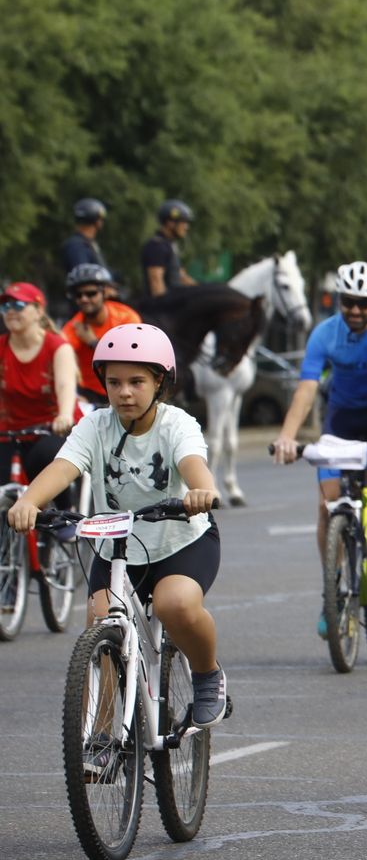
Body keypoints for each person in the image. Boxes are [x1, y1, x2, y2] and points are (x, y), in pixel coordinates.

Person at [6, 323, 228, 728]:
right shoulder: (95, 425)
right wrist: (28, 501)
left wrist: (203, 491)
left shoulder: (176, 424)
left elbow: (193, 464)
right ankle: (101, 738)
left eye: (136, 382)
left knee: (175, 604)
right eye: (114, 382)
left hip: (181, 541)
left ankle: (207, 674)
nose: (125, 392)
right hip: (117, 548)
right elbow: (64, 467)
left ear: (159, 382)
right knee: (101, 623)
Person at [272, 262, 367, 620]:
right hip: (341, 418)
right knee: (328, 507)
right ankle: (333, 591)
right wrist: (287, 438)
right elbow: (307, 389)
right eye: (348, 301)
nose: (354, 310)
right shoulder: (324, 333)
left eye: (363, 303)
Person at [0, 282, 79, 494]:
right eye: (5, 306)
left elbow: (65, 385)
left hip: (51, 428)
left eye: (18, 305)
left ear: (38, 311)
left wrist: (64, 415)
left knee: (45, 458)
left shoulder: (57, 346)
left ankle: (63, 513)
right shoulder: (1, 346)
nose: (10, 311)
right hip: (10, 430)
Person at [62, 264, 142, 406]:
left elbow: (131, 358)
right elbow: (63, 369)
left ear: (105, 293)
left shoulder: (126, 318)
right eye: (78, 295)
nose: (84, 299)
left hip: (128, 390)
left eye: (91, 293)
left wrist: (93, 342)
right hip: (90, 396)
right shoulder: (71, 329)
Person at [142, 199, 198, 298]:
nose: (186, 227)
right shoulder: (157, 247)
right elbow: (156, 281)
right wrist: (164, 304)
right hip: (162, 305)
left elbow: (181, 277)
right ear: (170, 223)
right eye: (184, 222)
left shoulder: (169, 246)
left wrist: (203, 291)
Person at [61, 198, 109, 274]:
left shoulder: (90, 244)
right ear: (96, 220)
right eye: (100, 218)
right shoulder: (76, 246)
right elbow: (83, 275)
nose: (102, 221)